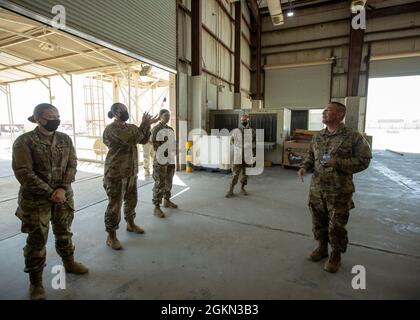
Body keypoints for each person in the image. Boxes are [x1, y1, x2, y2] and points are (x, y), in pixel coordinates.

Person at [12, 103, 88, 300]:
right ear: (38, 119)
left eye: (57, 115)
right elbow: (24, 173)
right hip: (36, 200)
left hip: (63, 196)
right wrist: (50, 192)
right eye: (49, 116)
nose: (55, 119)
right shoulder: (25, 141)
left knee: (64, 232)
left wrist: (62, 188)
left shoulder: (64, 139)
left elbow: (72, 163)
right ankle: (36, 283)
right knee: (37, 241)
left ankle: (69, 263)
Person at [298, 102, 371, 273]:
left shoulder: (353, 136)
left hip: (339, 191)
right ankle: (322, 248)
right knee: (318, 222)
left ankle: (336, 255)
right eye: (323, 110)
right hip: (317, 189)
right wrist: (304, 168)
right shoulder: (318, 136)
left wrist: (338, 163)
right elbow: (310, 157)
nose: (323, 112)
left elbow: (364, 160)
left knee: (336, 225)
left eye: (328, 110)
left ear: (339, 115)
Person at [103, 103, 159, 250]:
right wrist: (143, 124)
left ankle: (130, 223)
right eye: (122, 110)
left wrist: (146, 126)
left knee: (131, 200)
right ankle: (111, 236)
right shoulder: (111, 129)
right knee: (114, 205)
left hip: (131, 172)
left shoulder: (131, 127)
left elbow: (143, 139)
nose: (125, 112)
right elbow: (129, 139)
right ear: (114, 112)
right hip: (116, 173)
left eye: (126, 110)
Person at [151, 109, 178, 218]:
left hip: (170, 159)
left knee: (169, 180)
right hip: (161, 160)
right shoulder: (156, 129)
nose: (167, 117)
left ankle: (167, 200)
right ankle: (156, 207)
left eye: (169, 115)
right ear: (160, 116)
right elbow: (155, 146)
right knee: (159, 183)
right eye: (165, 115)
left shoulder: (170, 129)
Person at [225, 114, 256, 198]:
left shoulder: (252, 131)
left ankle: (242, 188)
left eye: (245, 120)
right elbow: (231, 141)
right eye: (242, 121)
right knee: (235, 173)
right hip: (238, 156)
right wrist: (238, 146)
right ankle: (231, 190)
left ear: (248, 121)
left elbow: (254, 143)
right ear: (240, 121)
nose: (244, 122)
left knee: (245, 174)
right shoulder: (236, 131)